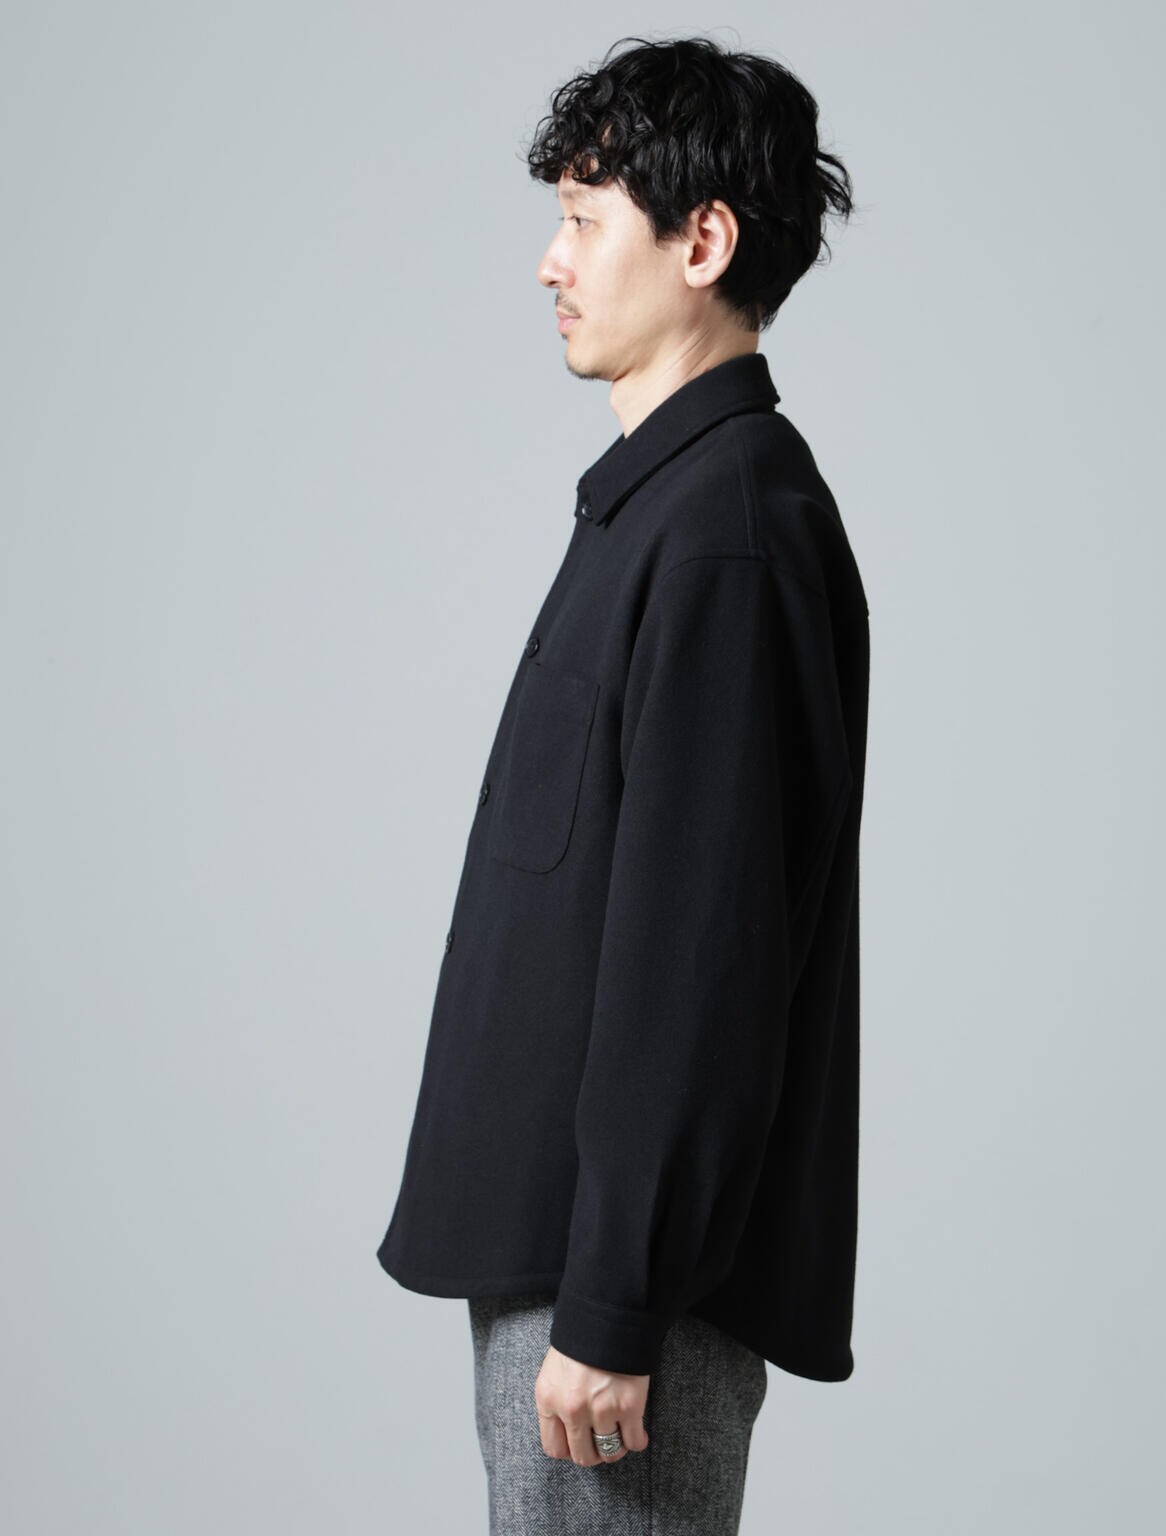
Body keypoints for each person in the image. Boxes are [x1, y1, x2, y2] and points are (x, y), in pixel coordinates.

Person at [376, 33, 870, 1534]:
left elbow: (702, 961)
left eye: (586, 221)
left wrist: (617, 1298)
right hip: (577, 1263)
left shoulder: (725, 533)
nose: (551, 260)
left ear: (701, 243)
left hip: (613, 1293)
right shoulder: (666, 511)